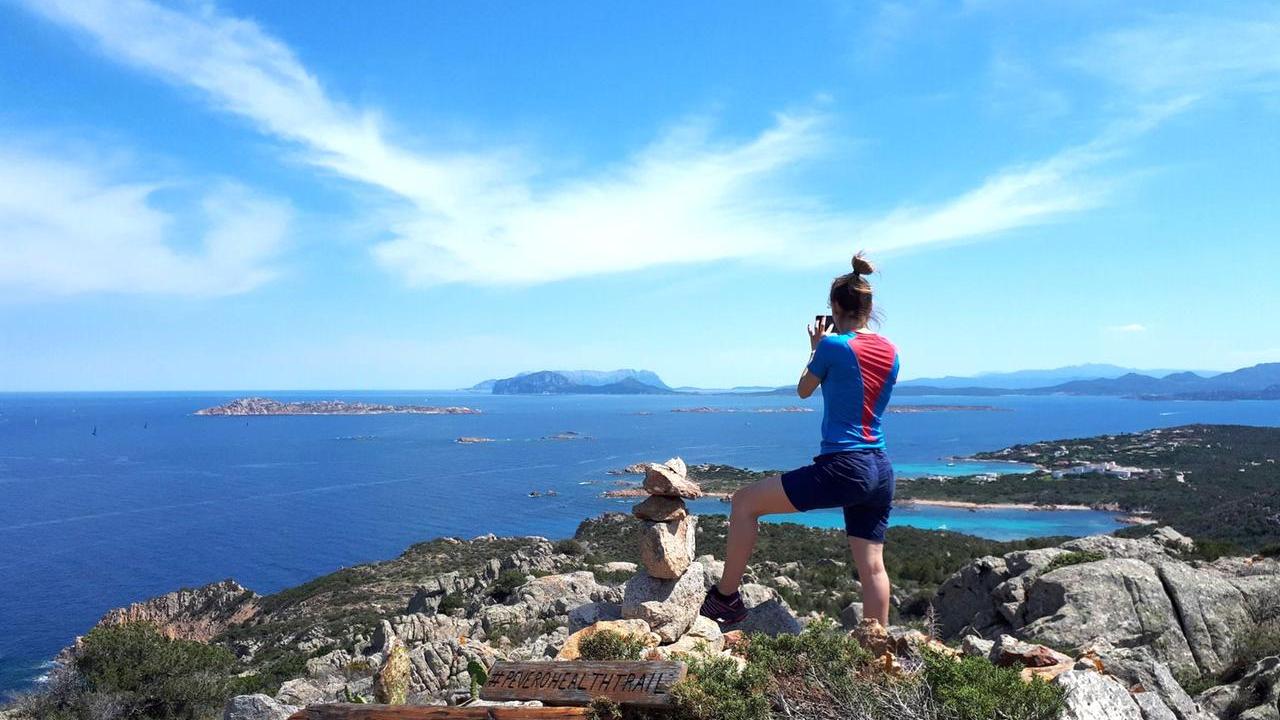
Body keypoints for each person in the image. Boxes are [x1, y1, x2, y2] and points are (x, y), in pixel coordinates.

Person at [699, 252, 899, 626]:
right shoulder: (891, 351)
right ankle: (877, 649)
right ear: (870, 309)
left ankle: (724, 599)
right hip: (881, 469)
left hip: (845, 464)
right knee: (873, 567)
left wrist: (815, 348)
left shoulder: (833, 347)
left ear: (834, 308)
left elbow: (805, 389)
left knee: (744, 503)